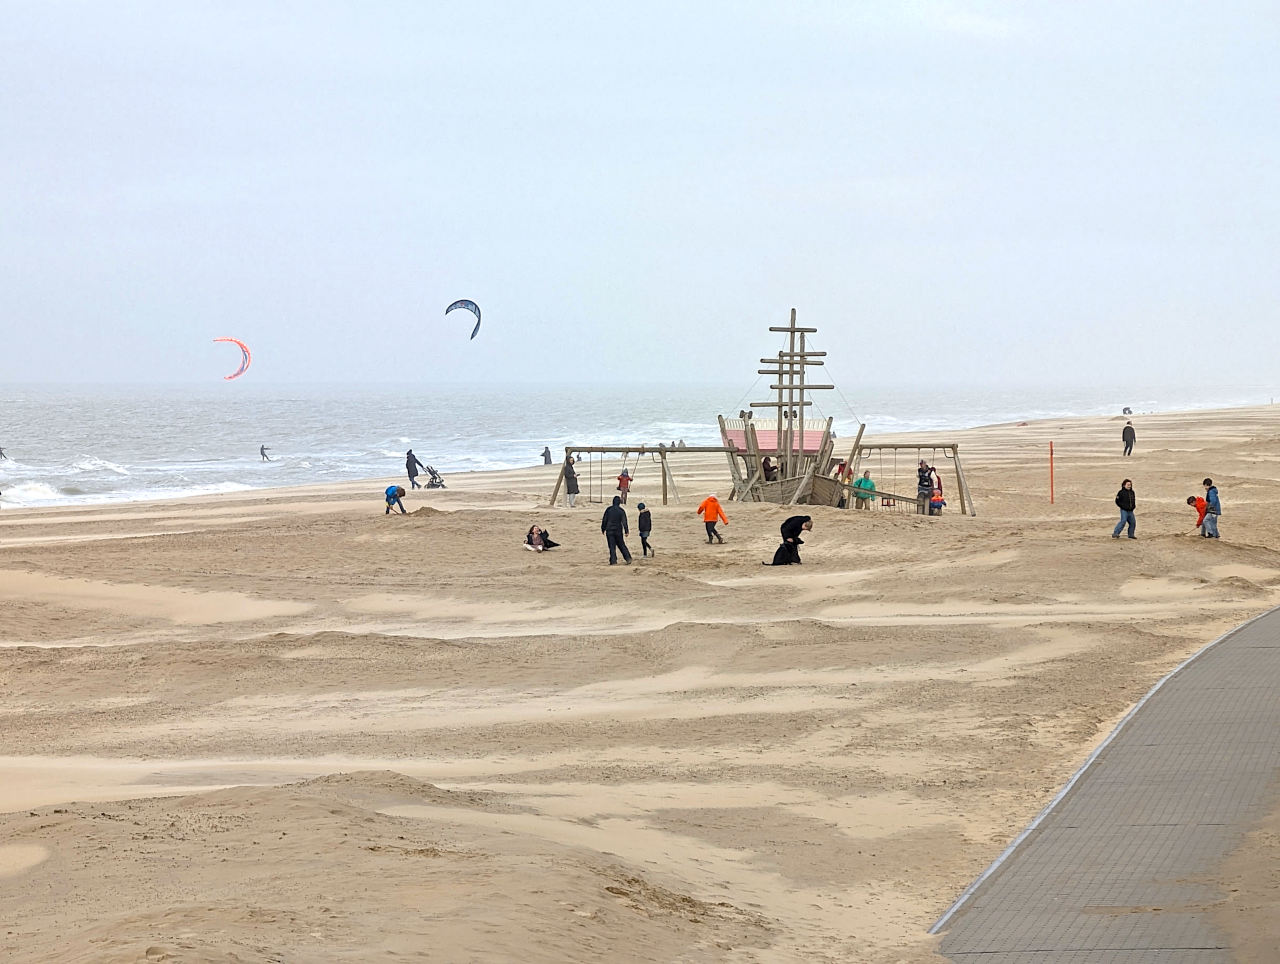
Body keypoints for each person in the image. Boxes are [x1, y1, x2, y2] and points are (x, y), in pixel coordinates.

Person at [601, 495, 632, 565]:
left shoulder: (608, 509)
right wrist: (626, 531)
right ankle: (628, 558)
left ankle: (613, 561)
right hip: (618, 530)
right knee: (621, 545)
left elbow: (604, 520)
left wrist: (603, 528)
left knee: (612, 547)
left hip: (609, 530)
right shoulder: (621, 511)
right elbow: (624, 521)